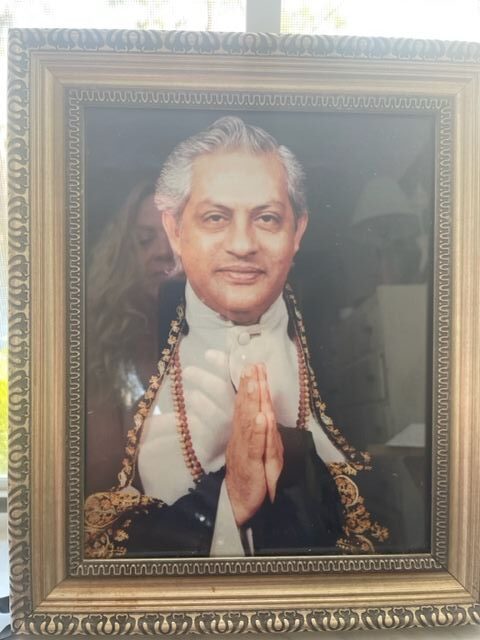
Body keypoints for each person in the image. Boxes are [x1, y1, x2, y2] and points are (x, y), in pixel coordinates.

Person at [84, 117, 388, 558]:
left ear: (297, 231)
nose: (243, 244)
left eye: (266, 217)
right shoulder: (130, 356)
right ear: (175, 230)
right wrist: (230, 498)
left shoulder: (342, 352)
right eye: (215, 217)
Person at [86, 181, 176, 495]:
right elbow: (102, 480)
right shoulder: (104, 348)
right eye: (145, 239)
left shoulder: (232, 333)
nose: (163, 252)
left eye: (176, 236)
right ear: (123, 253)